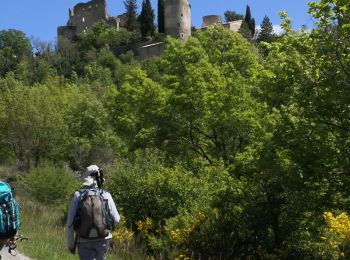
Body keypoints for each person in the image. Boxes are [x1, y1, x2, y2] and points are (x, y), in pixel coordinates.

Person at [66, 165, 120, 260]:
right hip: (103, 239)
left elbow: (69, 223)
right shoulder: (105, 195)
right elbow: (116, 219)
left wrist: (71, 245)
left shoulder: (78, 195)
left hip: (83, 239)